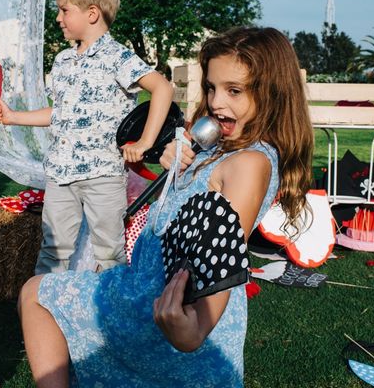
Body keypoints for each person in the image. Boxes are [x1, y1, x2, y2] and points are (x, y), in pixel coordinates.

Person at [17, 26, 315, 387]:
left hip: (172, 303)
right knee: (40, 295)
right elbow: (179, 209)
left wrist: (197, 327)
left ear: (272, 94)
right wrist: (177, 164)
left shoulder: (249, 164)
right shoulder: (221, 148)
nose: (217, 102)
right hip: (148, 284)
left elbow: (218, 255)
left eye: (234, 91)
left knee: (36, 294)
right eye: (211, 87)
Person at [0, 0, 173, 274]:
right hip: (61, 175)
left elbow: (163, 88)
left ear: (92, 14)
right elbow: (59, 113)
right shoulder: (62, 60)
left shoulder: (118, 57)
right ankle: (47, 313)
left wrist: (145, 142)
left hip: (103, 175)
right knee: (53, 251)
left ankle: (108, 316)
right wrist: (14, 118)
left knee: (109, 253)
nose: (59, 19)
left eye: (64, 11)